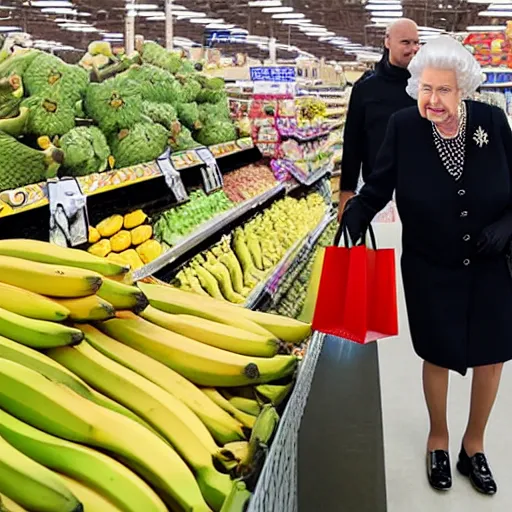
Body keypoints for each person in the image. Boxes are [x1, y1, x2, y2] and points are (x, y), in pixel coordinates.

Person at [341, 35, 512, 496]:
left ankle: (473, 446)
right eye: (425, 89)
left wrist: (508, 225)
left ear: (464, 91)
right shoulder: (404, 126)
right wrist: (357, 210)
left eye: (444, 90)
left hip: (490, 263)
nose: (433, 100)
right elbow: (379, 185)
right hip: (429, 265)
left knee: (491, 357)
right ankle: (439, 438)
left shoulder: (494, 123)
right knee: (436, 353)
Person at [338, 18, 420, 220]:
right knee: (381, 249)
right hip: (376, 193)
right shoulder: (365, 89)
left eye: (417, 42)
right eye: (406, 42)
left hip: (420, 189)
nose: (413, 49)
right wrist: (346, 191)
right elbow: (352, 142)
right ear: (387, 42)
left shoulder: (425, 87)